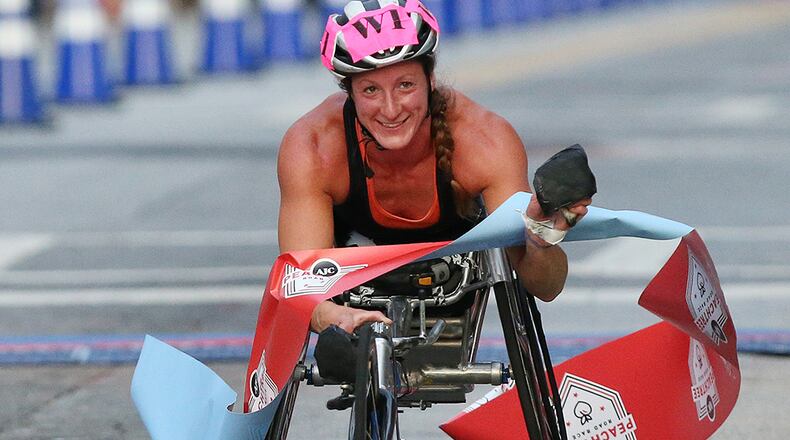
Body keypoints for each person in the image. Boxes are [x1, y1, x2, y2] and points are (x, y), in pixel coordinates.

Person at [277, 0, 591, 335]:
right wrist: (331, 316)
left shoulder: (485, 141)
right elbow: (301, 285)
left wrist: (541, 240)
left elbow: (546, 287)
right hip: (351, 283)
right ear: (350, 92)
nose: (391, 109)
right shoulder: (312, 147)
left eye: (405, 85)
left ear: (430, 79)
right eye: (371, 90)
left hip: (455, 265)